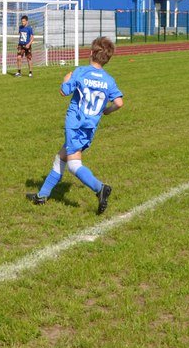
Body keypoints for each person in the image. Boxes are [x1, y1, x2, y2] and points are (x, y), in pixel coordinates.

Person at [26, 36, 123, 214]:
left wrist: (66, 78)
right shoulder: (109, 80)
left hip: (75, 125)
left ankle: (100, 188)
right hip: (89, 128)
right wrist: (107, 111)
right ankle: (42, 195)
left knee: (73, 164)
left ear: (92, 52)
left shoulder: (81, 72)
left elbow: (64, 91)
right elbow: (119, 103)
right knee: (61, 157)